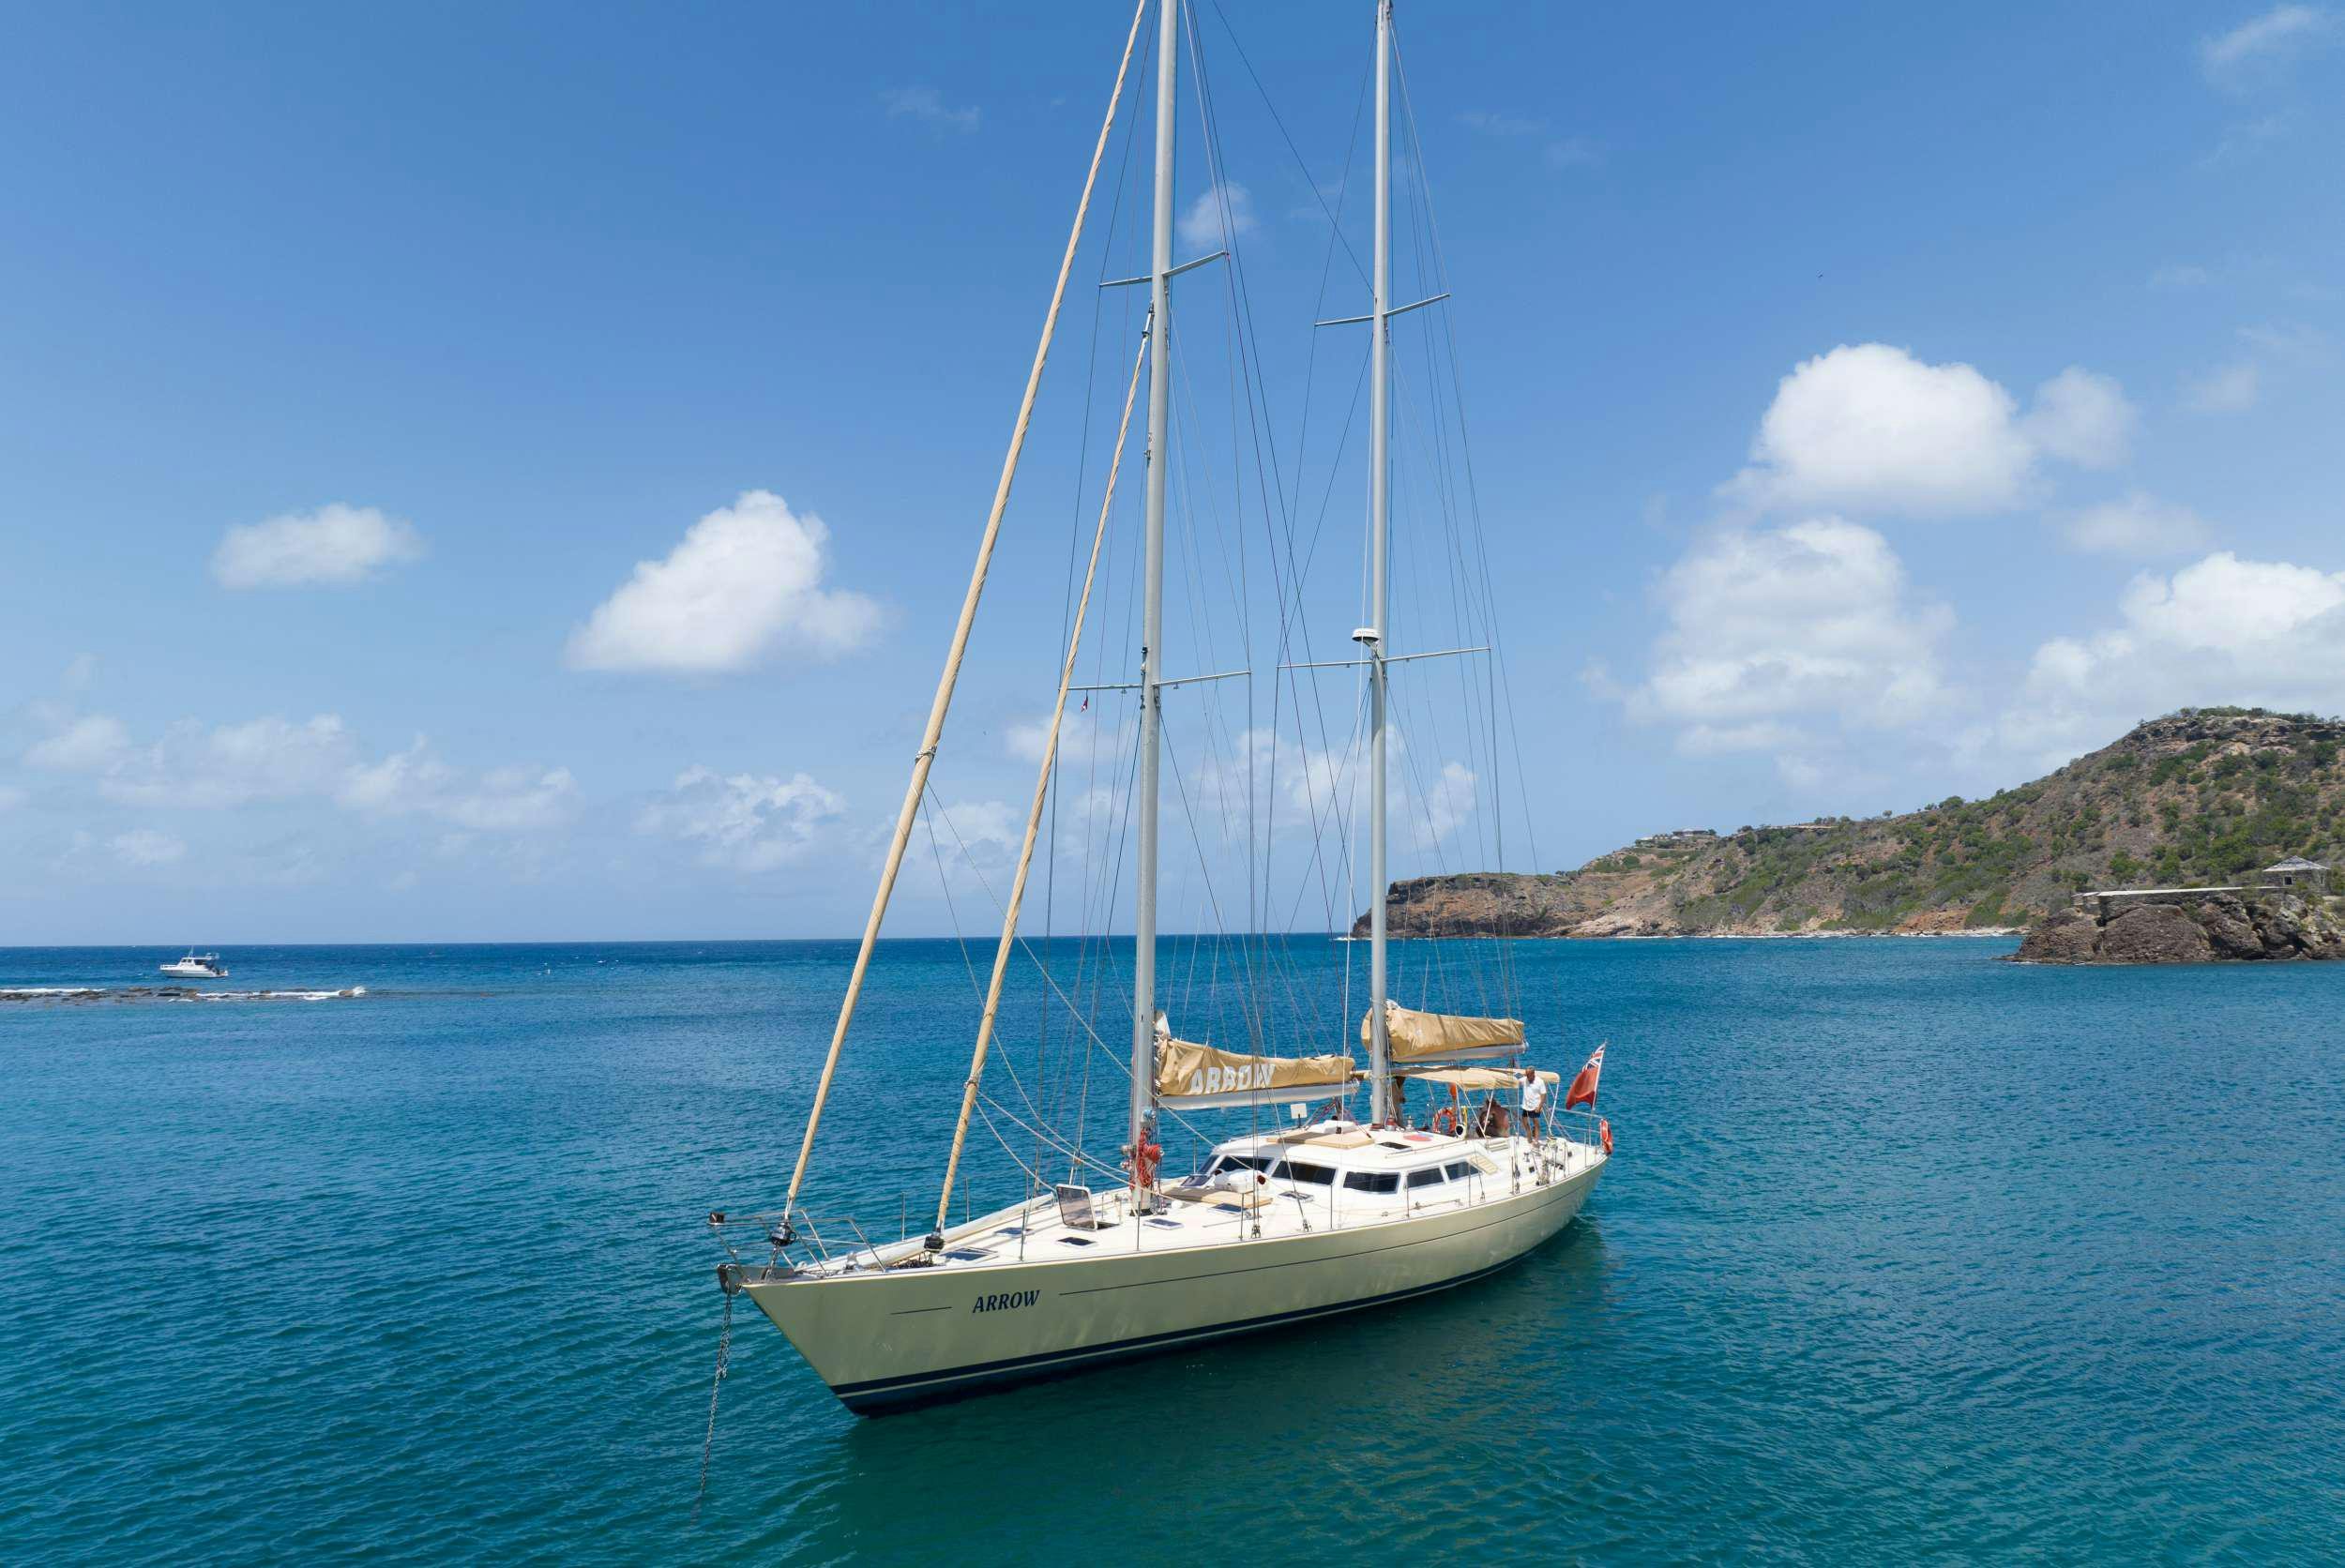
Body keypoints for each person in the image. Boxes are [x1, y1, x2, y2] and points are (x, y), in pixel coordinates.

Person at [1519, 1066, 1548, 1140]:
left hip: (1535, 1106)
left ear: (1533, 1074)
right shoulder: (1525, 1079)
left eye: (1528, 1075)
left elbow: (1543, 1095)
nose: (1527, 1076)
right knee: (1524, 1121)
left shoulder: (1540, 1081)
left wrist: (1540, 1107)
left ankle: (1536, 1140)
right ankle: (1529, 1135)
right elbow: (1516, 1081)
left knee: (1536, 1124)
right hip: (1526, 1105)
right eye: (1526, 1075)